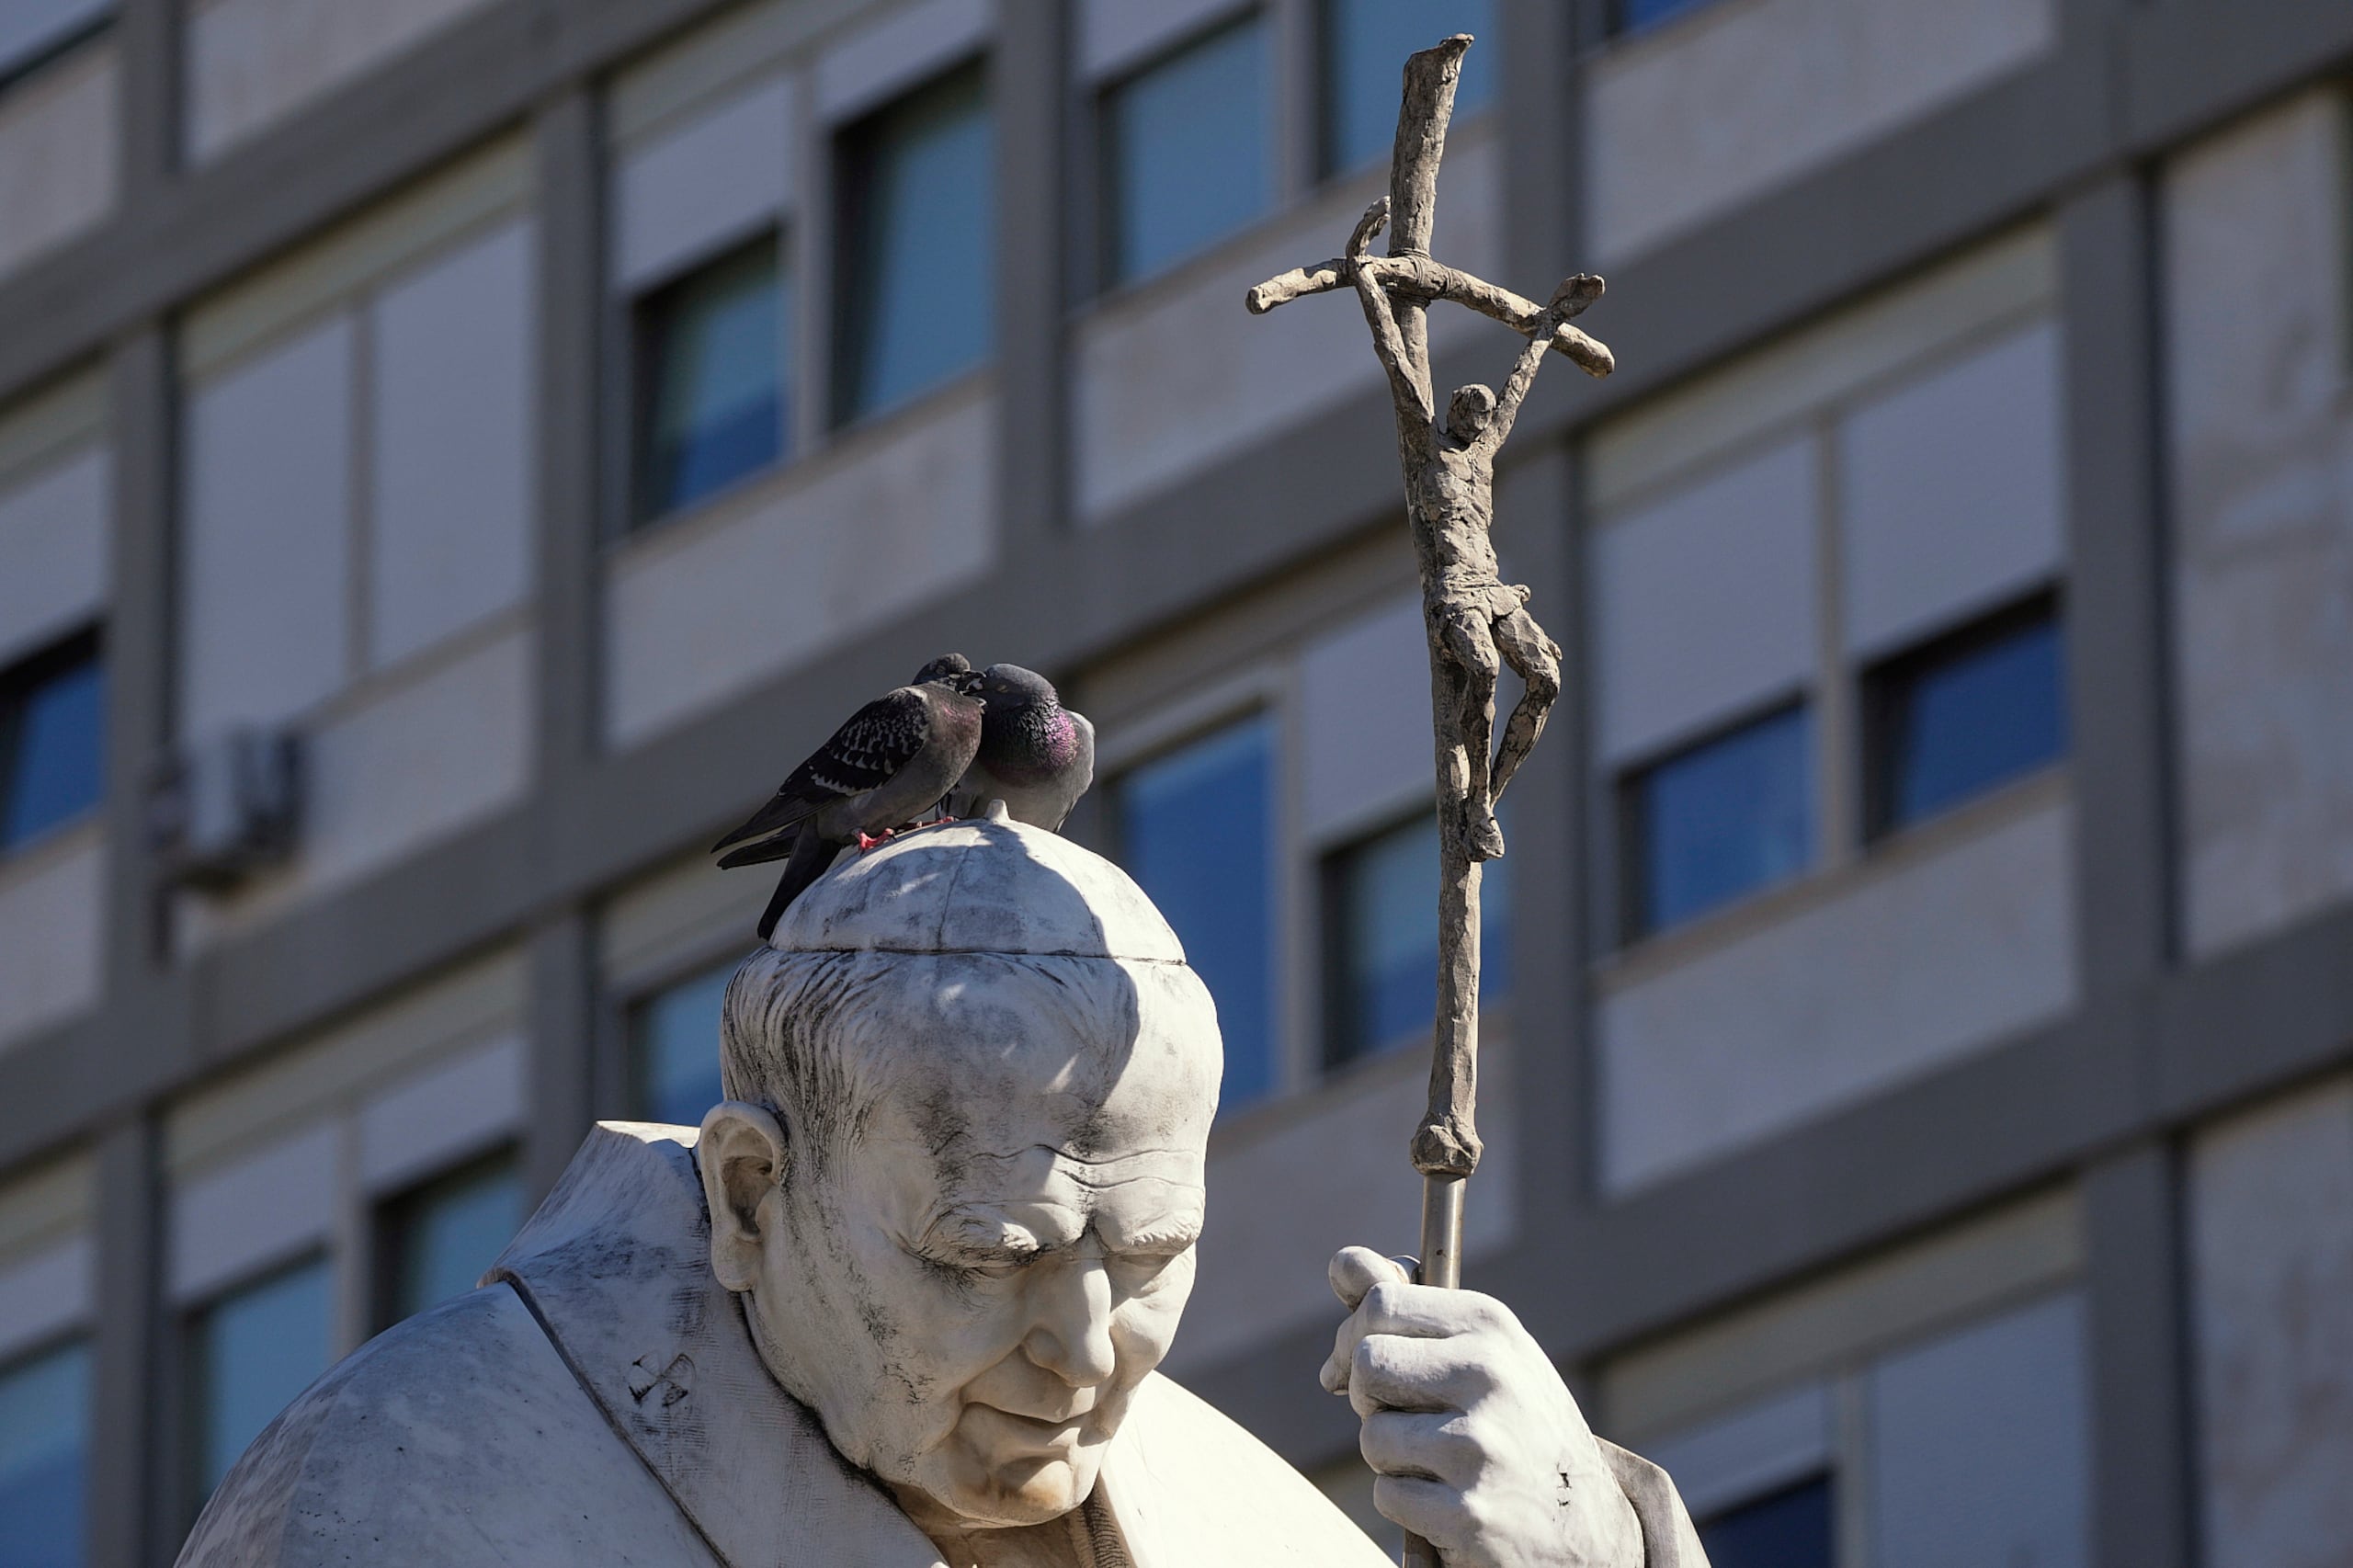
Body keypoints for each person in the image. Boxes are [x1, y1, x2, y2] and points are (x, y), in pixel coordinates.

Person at [179, 810, 1705, 1566]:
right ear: (754, 1196)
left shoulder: (1254, 1529)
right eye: (992, 1254)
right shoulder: (413, 1496)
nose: (1088, 1347)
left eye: (1151, 1248)